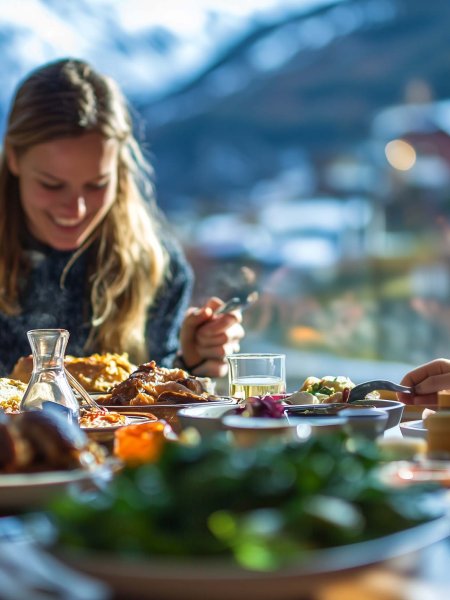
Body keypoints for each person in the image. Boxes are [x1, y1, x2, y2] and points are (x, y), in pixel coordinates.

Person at [0, 58, 244, 377]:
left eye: (96, 185)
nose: (77, 209)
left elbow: (152, 405)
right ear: (14, 158)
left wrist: (190, 364)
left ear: (118, 170)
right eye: (52, 184)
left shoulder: (157, 267)